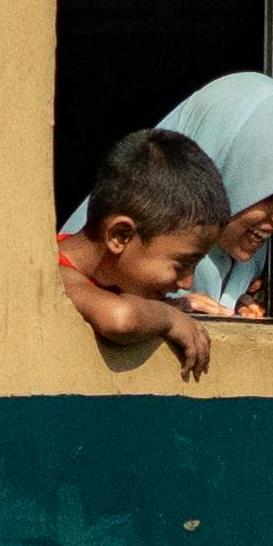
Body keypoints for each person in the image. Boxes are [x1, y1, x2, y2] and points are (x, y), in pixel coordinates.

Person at [64, 73, 273, 320]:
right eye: (269, 194)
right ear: (220, 169)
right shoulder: (94, 266)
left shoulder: (258, 269)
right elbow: (118, 318)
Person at [55, 128, 229, 381]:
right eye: (182, 264)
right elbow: (119, 318)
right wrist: (169, 318)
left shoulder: (112, 281)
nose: (187, 283)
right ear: (120, 236)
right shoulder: (55, 271)